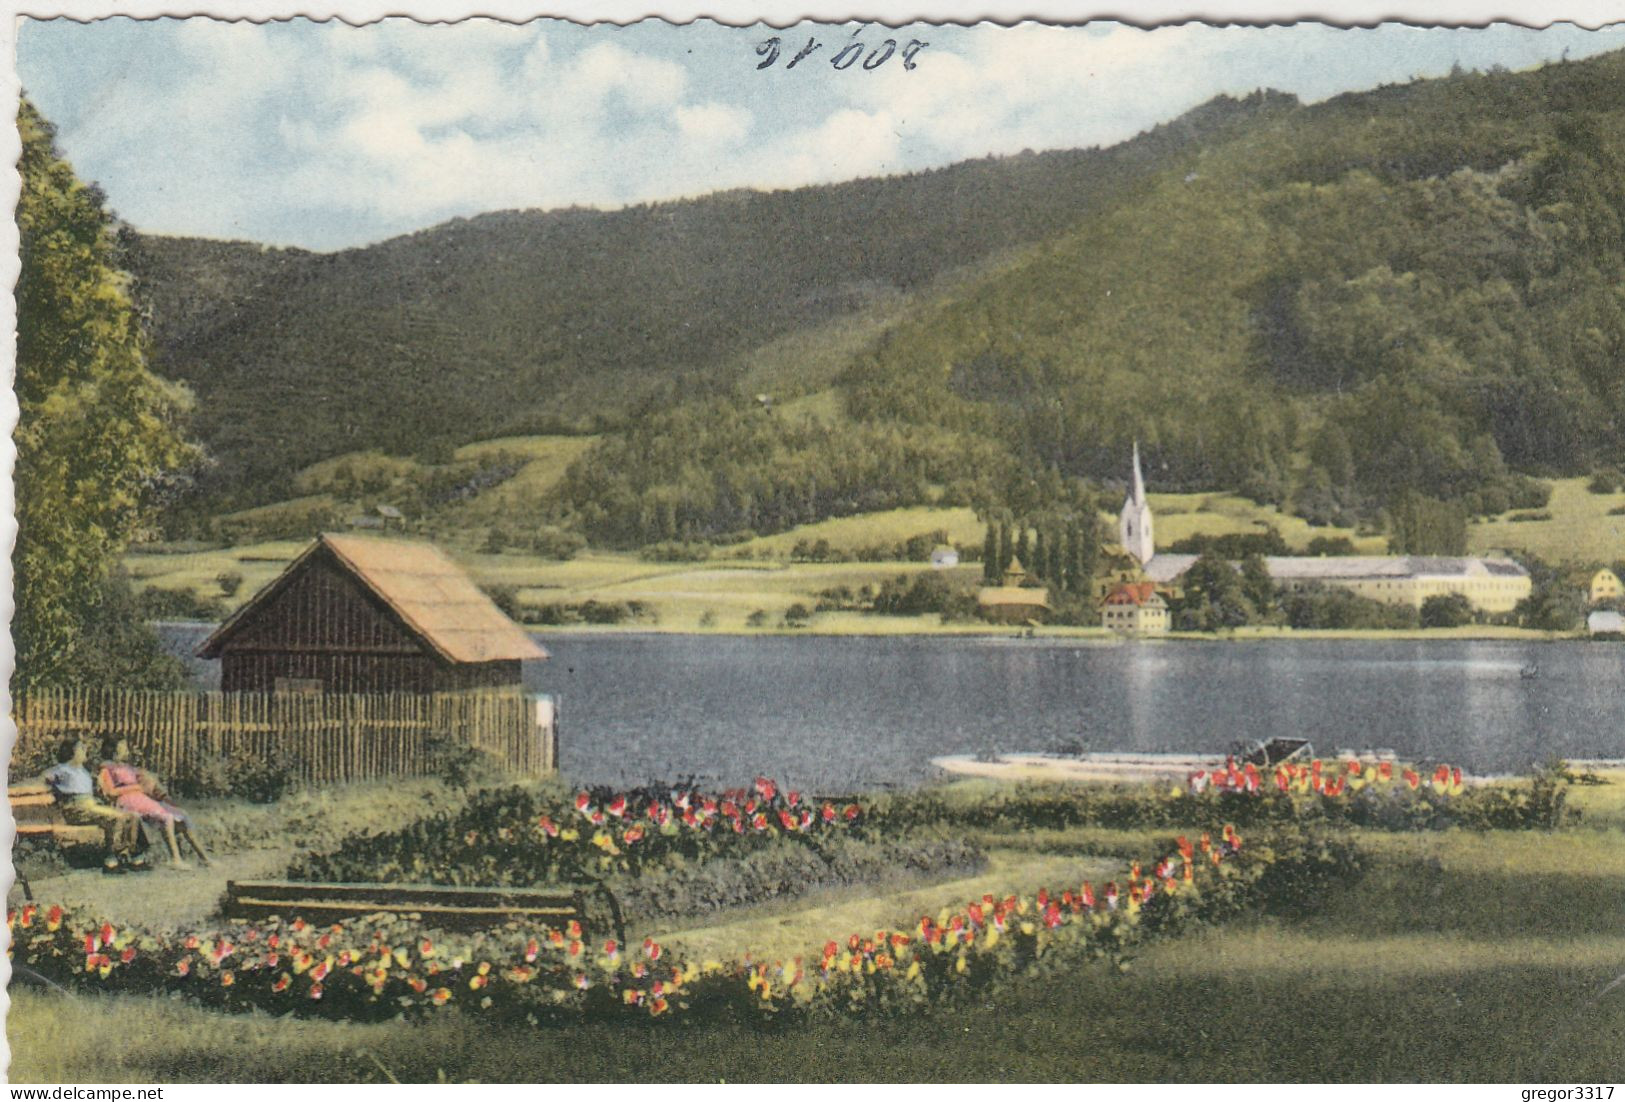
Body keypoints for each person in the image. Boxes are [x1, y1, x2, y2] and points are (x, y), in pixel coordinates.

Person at [97, 736, 210, 869]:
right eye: (123, 747)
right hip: (127, 801)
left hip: (141, 799)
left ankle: (204, 858)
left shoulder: (127, 767)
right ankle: (175, 859)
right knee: (166, 817)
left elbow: (147, 784)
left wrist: (147, 784)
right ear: (113, 750)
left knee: (182, 816)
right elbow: (110, 792)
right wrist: (136, 787)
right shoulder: (106, 769)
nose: (126, 750)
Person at [41, 738, 146, 874]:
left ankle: (131, 854)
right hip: (76, 808)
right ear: (71, 754)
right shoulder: (63, 769)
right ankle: (112, 859)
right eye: (81, 748)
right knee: (115, 818)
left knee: (131, 815)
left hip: (89, 806)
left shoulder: (82, 770)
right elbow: (45, 778)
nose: (86, 750)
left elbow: (96, 789)